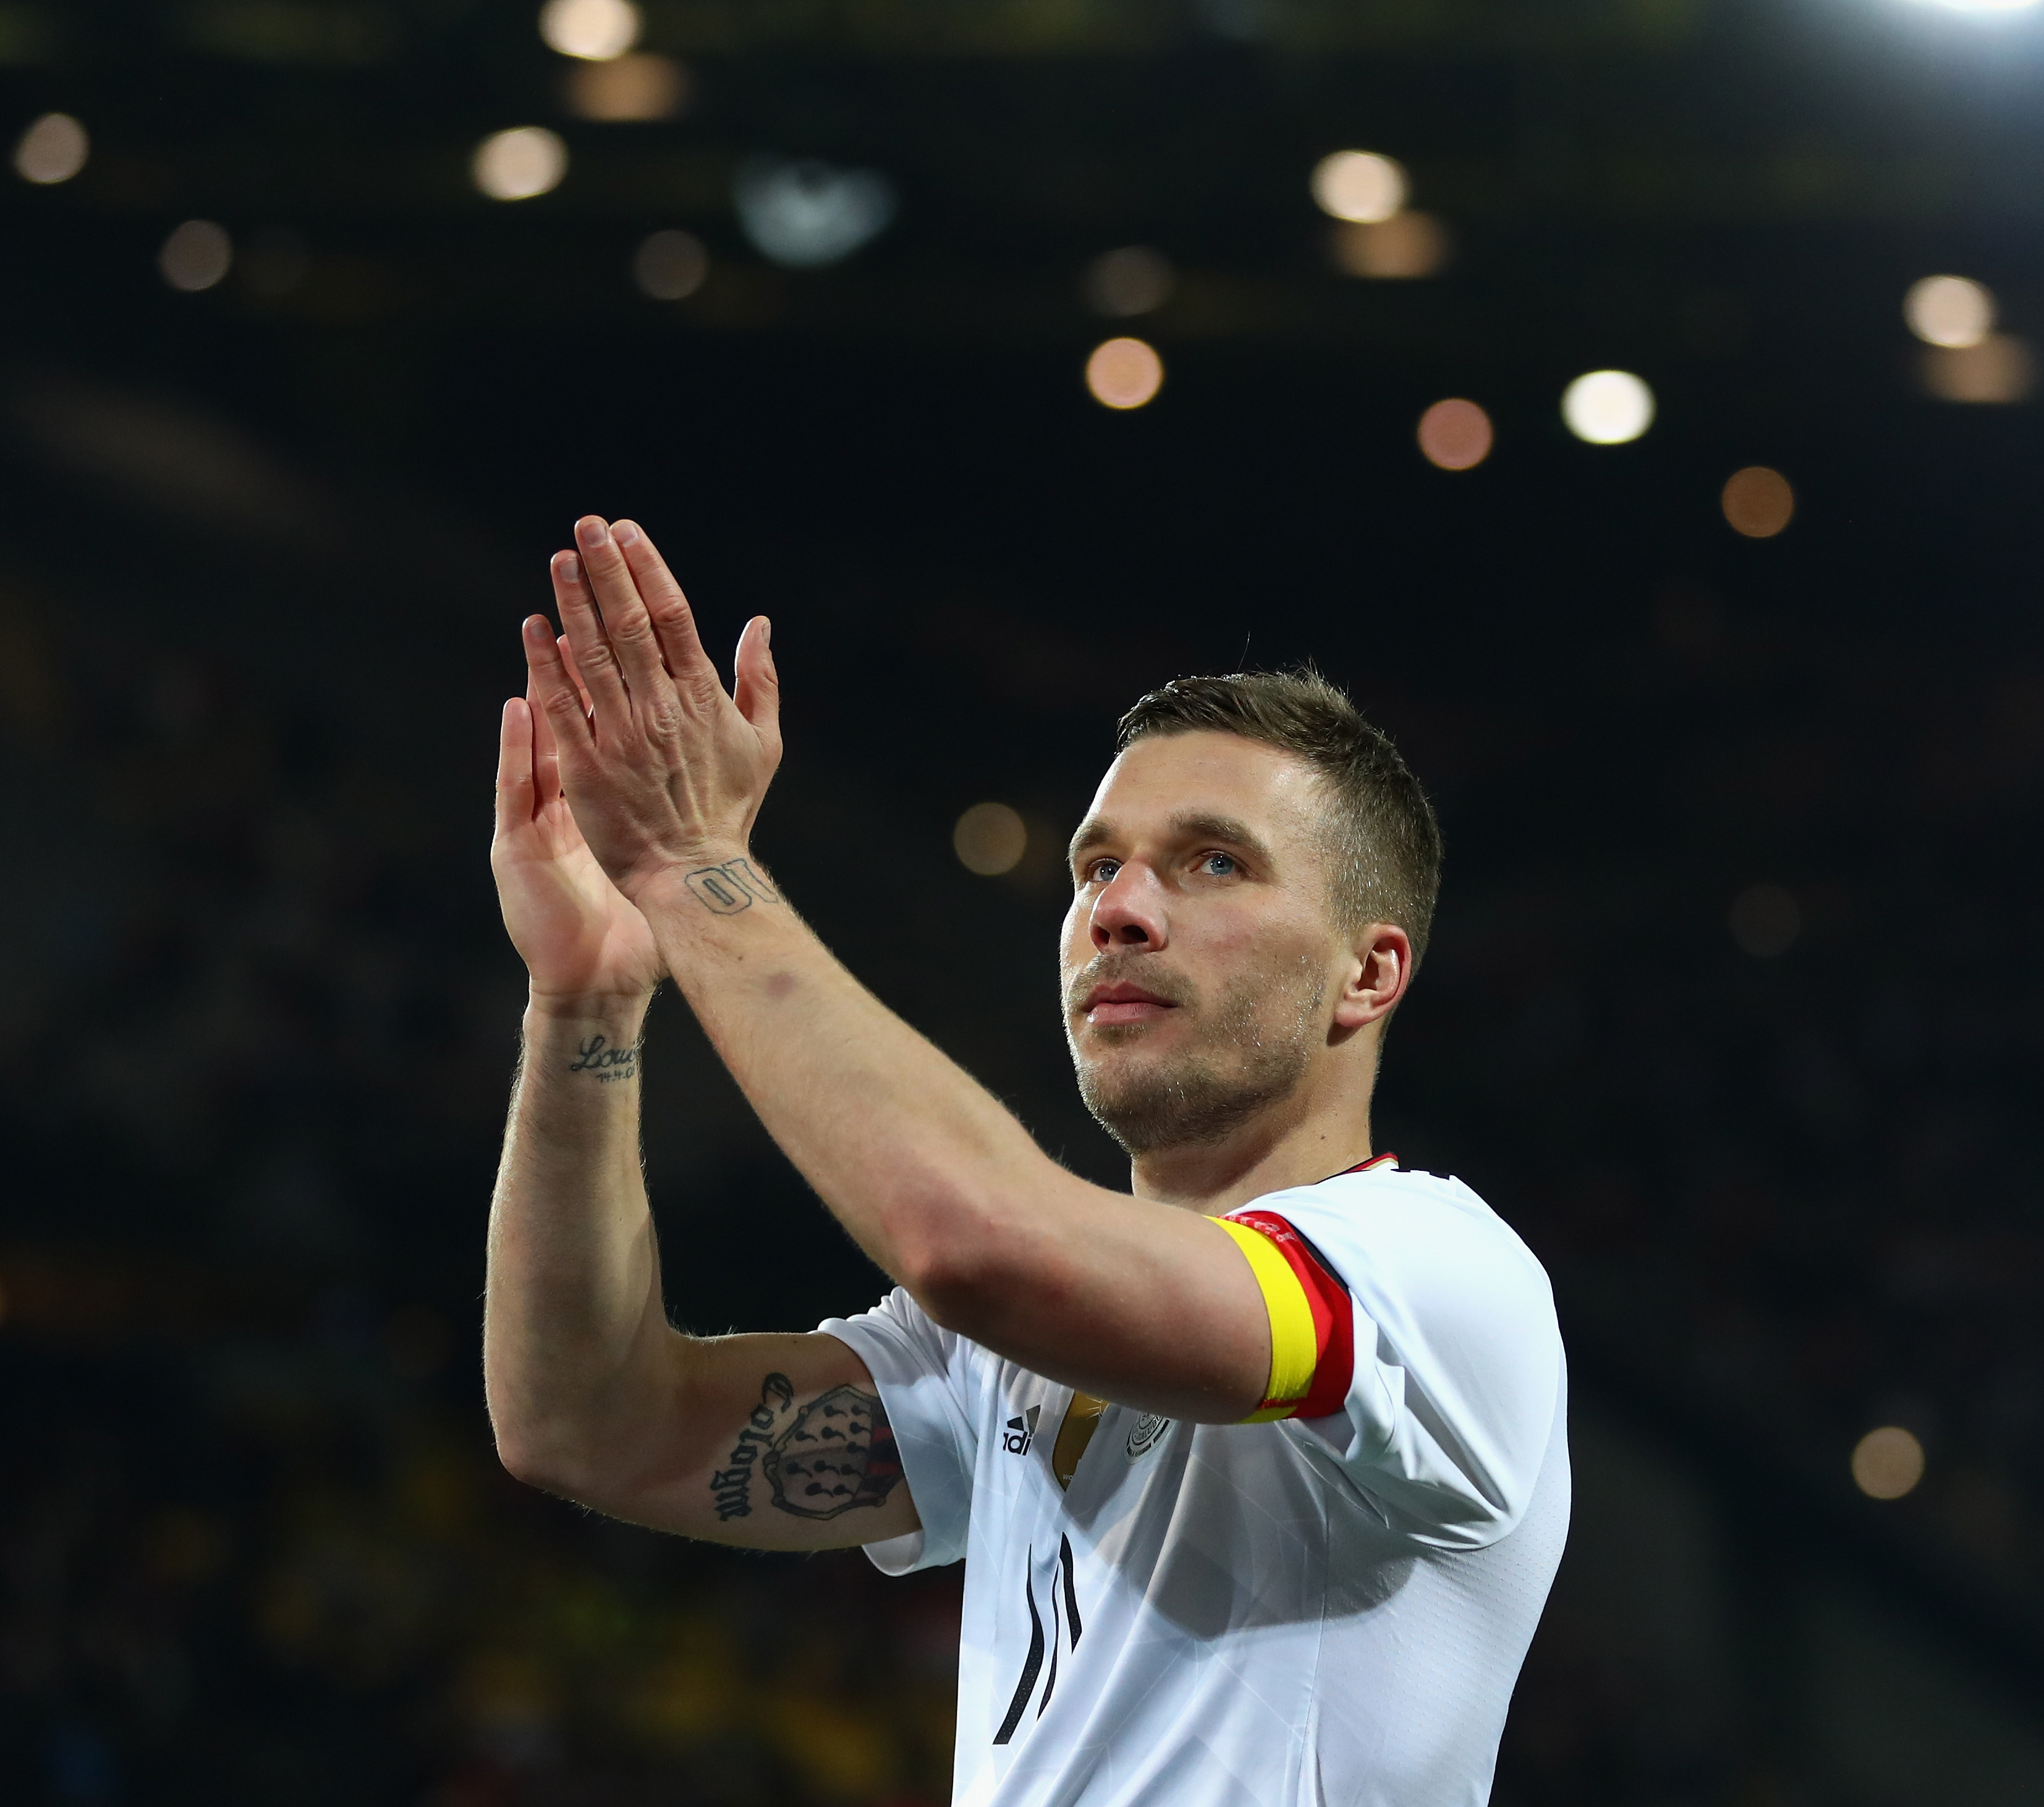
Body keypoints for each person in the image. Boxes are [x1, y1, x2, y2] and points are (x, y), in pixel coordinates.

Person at [483, 516, 1567, 1806]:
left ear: (1368, 973)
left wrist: (695, 867)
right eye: (1096, 866)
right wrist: (586, 1008)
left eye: (1213, 862)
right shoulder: (998, 1361)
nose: (1118, 907)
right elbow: (589, 1426)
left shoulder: (1437, 1275)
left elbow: (976, 1243)